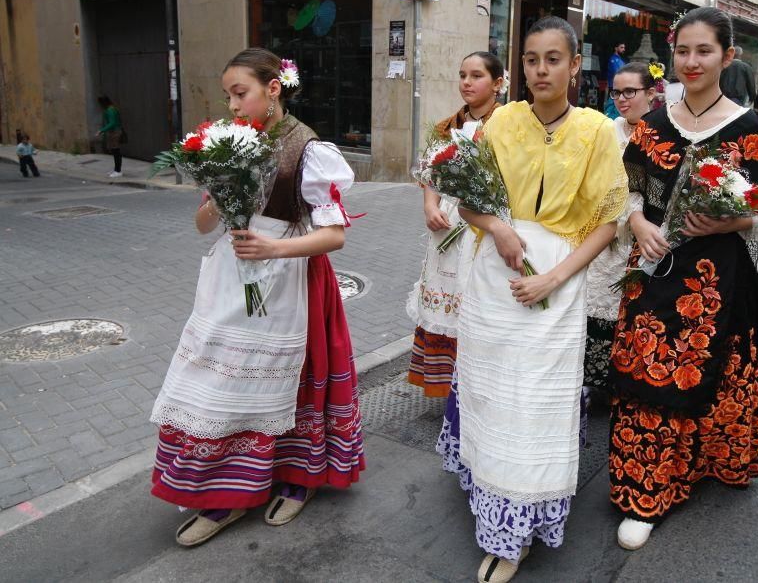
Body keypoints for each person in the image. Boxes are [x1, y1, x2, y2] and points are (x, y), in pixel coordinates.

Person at [608, 6, 758, 551]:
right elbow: (625, 188)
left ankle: (699, 466)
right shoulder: (653, 125)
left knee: (709, 373)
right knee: (646, 372)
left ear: (727, 55)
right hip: (652, 269)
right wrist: (637, 222)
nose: (692, 62)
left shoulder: (749, 129)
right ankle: (643, 490)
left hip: (718, 280)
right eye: (683, 51)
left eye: (704, 51)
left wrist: (735, 217)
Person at [436, 15, 627, 583]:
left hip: (557, 281)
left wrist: (554, 279)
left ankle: (514, 531)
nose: (541, 69)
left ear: (574, 65)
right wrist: (496, 227)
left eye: (553, 59)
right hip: (492, 276)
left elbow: (607, 222)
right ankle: (487, 488)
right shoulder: (501, 122)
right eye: (531, 59)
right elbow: (468, 200)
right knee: (491, 394)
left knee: (534, 404)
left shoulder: (596, 130)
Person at [149, 48, 364, 546]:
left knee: (295, 384)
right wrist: (216, 188)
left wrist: (274, 247)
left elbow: (335, 236)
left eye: (240, 92)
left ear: (273, 88)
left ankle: (297, 480)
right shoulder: (229, 145)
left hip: (292, 276)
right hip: (233, 275)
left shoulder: (307, 148)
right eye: (227, 95)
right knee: (220, 381)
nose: (232, 105)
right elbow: (204, 225)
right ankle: (226, 495)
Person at [407, 51, 504, 397]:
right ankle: (446, 384)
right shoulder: (446, 125)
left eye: (476, 76)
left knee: (478, 295)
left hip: (488, 221)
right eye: (463, 75)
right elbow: (430, 173)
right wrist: (430, 206)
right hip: (449, 222)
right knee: (445, 293)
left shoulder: (508, 124)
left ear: (498, 83)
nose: (466, 82)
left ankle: (478, 383)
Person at [583, 62, 656, 395]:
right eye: (617, 92)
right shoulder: (605, 131)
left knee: (636, 308)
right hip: (605, 229)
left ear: (651, 94)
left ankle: (629, 380)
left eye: (631, 92)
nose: (623, 99)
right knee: (599, 303)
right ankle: (597, 382)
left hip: (644, 235)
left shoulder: (662, 132)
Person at [96, 95, 124, 178]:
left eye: (100, 103)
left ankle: (118, 171)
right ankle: (116, 169)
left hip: (115, 132)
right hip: (114, 132)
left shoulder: (110, 110)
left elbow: (112, 123)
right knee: (115, 151)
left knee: (116, 151)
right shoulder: (111, 109)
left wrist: (102, 130)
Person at [603, 42, 627, 119]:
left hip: (621, 87)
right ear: (616, 48)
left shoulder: (621, 60)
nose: (623, 49)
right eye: (621, 47)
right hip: (613, 87)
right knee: (611, 107)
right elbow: (617, 73)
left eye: (624, 48)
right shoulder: (613, 59)